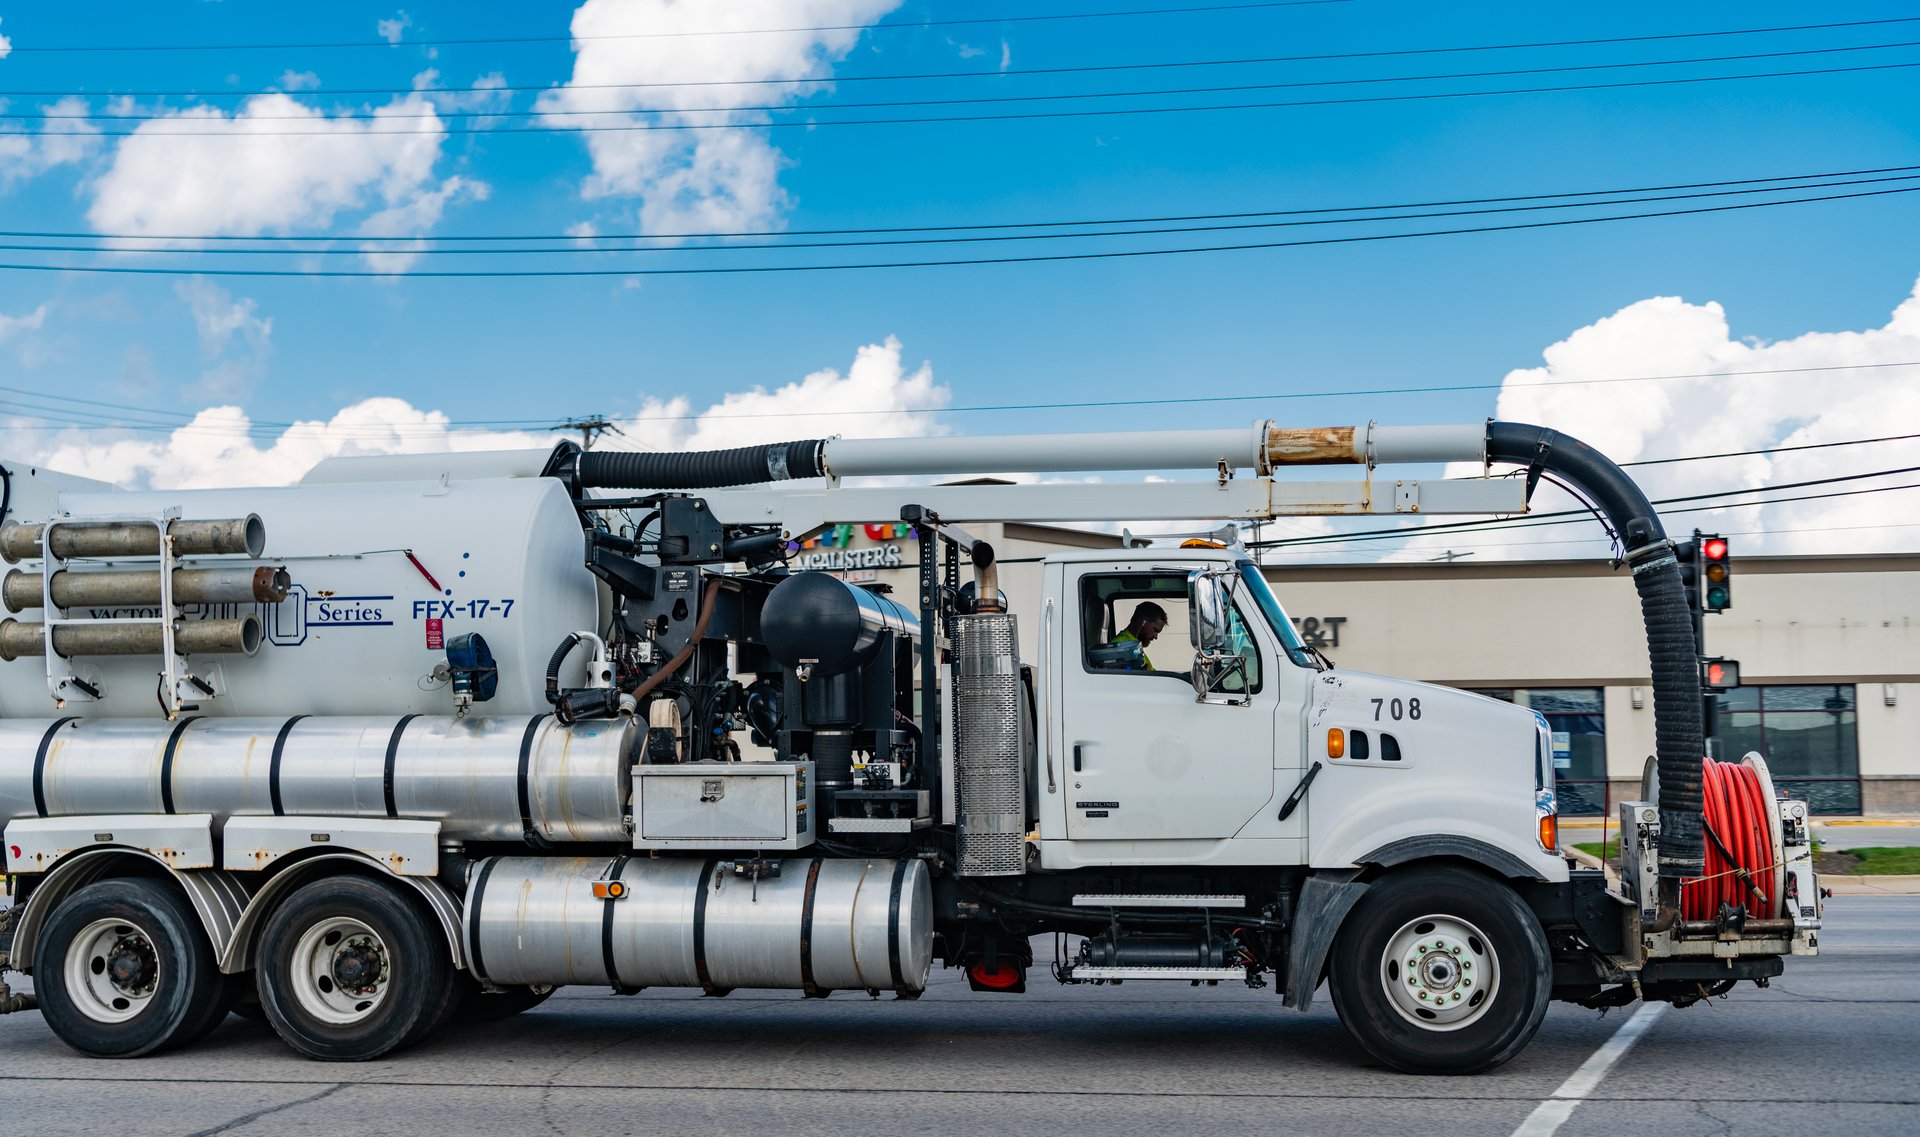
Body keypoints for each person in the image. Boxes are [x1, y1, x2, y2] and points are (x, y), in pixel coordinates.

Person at [1112, 601, 1168, 671]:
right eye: (1155, 630)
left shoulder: (1134, 644)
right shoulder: (1123, 646)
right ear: (1143, 622)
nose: (1156, 637)